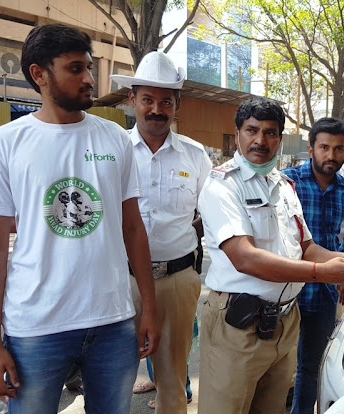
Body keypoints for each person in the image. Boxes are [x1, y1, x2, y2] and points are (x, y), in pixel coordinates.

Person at [0, 24, 159, 413]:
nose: (89, 79)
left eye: (89, 67)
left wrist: (149, 309)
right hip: (35, 329)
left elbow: (132, 228)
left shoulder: (115, 138)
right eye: (75, 69)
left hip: (113, 324)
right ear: (39, 74)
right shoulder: (7, 143)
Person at [197, 97, 344, 414]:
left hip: (283, 323)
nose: (260, 140)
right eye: (252, 130)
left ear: (280, 138)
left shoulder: (284, 185)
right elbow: (245, 258)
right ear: (237, 133)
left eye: (270, 132)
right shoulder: (222, 185)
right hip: (238, 325)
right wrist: (322, 274)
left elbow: (306, 247)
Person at [110, 51, 211, 413]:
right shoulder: (112, 150)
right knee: (111, 376)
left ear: (177, 105)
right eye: (148, 99)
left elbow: (212, 215)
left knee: (173, 377)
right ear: (132, 99)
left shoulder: (196, 157)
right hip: (120, 281)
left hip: (178, 280)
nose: (156, 109)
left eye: (165, 101)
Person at [282, 118, 344, 414]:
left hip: (323, 293)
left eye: (338, 149)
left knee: (311, 366)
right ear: (310, 148)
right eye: (324, 148)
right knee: (273, 365)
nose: (331, 156)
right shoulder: (286, 182)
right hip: (282, 289)